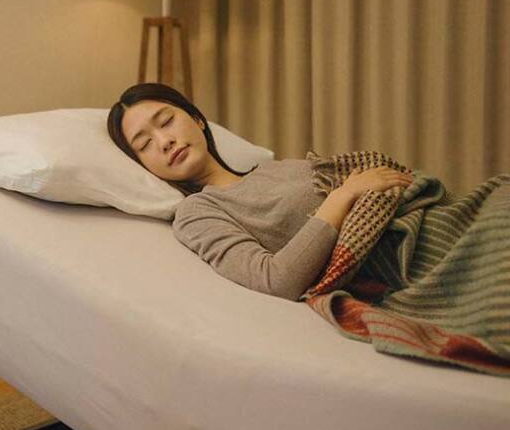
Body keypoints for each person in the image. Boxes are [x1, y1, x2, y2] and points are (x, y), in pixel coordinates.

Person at [107, 83, 413, 301]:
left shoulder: (277, 168)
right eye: (145, 144)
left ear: (197, 119)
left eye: (166, 121)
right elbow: (276, 280)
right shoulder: (197, 211)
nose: (164, 142)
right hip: (402, 260)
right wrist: (342, 197)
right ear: (145, 166)